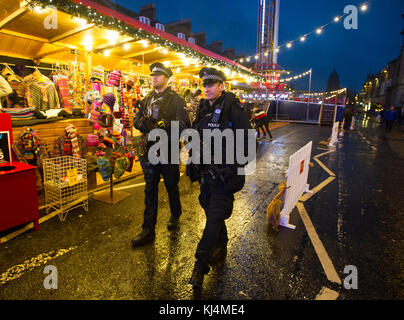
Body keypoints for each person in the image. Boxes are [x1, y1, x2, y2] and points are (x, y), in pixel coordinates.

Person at [187, 67, 252, 288]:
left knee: (214, 215)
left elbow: (247, 142)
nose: (207, 88)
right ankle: (221, 246)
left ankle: (200, 265)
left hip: (224, 174)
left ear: (222, 86)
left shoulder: (233, 108)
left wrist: (232, 167)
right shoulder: (203, 108)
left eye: (211, 84)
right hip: (206, 172)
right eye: (204, 84)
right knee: (208, 207)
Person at [131, 62, 190, 247]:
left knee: (172, 184)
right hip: (150, 149)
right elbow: (136, 120)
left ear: (166, 78)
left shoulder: (177, 100)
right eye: (152, 75)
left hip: (168, 150)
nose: (153, 78)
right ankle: (148, 230)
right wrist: (144, 125)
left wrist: (166, 125)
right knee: (150, 189)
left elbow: (185, 126)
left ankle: (175, 214)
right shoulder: (147, 98)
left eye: (157, 75)